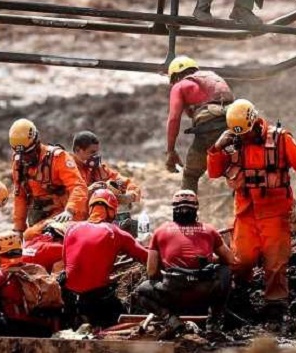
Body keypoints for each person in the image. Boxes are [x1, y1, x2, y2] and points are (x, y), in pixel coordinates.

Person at [207, 99, 296, 316]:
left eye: (246, 133)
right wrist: (217, 148)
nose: (243, 138)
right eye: (239, 135)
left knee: (275, 263)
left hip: (276, 212)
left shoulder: (281, 139)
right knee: (241, 260)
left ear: (255, 122)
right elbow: (213, 172)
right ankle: (241, 296)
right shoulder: (233, 142)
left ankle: (275, 305)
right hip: (245, 212)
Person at [134, 189, 237, 330]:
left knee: (141, 291)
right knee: (225, 271)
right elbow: (231, 260)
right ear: (196, 208)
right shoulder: (209, 230)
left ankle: (170, 319)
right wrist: (210, 260)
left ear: (173, 208)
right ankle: (214, 321)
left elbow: (151, 272)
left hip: (173, 293)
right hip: (204, 292)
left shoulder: (160, 231)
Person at [61, 189, 149, 328]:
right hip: (98, 300)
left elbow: (67, 264)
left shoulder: (71, 229)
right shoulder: (114, 231)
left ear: (90, 208)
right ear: (111, 210)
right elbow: (145, 257)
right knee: (126, 323)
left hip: (69, 298)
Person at [164, 54, 235, 191]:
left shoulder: (180, 86)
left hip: (211, 129)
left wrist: (170, 151)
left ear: (175, 76)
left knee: (191, 174)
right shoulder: (212, 78)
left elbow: (173, 119)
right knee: (239, 168)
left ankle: (187, 211)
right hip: (234, 125)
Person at [9, 118, 88, 241]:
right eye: (21, 154)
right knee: (23, 239)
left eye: (28, 153)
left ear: (36, 143)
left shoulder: (58, 158)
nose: (25, 158)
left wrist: (70, 210)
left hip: (65, 213)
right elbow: (20, 196)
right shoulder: (19, 163)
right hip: (41, 215)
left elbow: (78, 186)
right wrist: (18, 228)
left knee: (31, 236)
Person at [72, 130, 142, 236]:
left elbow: (128, 184)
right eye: (92, 152)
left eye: (96, 152)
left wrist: (130, 196)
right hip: (73, 222)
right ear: (78, 150)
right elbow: (64, 198)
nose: (95, 156)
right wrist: (88, 191)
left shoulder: (100, 169)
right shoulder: (66, 169)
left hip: (99, 221)